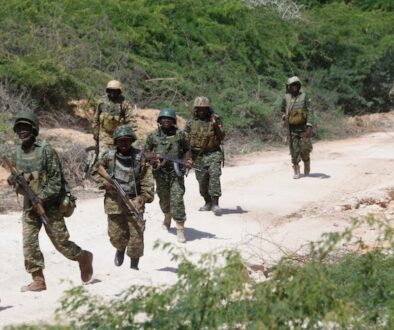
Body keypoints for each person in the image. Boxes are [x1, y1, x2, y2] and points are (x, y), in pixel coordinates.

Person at [6, 112, 93, 292]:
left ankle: (83, 257)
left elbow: (56, 181)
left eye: (26, 127)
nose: (23, 131)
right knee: (29, 243)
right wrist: (12, 180)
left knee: (61, 244)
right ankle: (38, 280)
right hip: (29, 206)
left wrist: (41, 198)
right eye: (20, 128)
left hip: (50, 205)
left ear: (34, 129)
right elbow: (15, 175)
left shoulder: (46, 150)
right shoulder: (16, 153)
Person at [95, 125, 154, 270]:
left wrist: (144, 197)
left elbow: (147, 179)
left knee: (136, 235)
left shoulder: (140, 157)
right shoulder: (108, 156)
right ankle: (120, 249)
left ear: (131, 141)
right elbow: (95, 172)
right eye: (120, 141)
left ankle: (134, 264)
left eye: (127, 141)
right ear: (116, 142)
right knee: (116, 235)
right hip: (114, 201)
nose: (124, 144)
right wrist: (105, 184)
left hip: (134, 200)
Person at [144, 108, 192, 243]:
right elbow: (146, 151)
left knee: (177, 199)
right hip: (160, 173)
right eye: (164, 119)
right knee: (164, 199)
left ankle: (180, 228)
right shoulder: (153, 136)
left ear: (173, 121)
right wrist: (153, 158)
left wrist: (187, 160)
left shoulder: (180, 135)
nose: (166, 121)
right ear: (159, 121)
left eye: (169, 119)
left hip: (176, 173)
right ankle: (167, 217)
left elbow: (187, 150)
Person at [184, 96, 225, 216]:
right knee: (202, 181)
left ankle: (216, 203)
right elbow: (184, 138)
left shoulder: (215, 119)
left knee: (214, 175)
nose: (202, 111)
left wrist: (216, 125)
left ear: (208, 109)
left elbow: (222, 137)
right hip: (198, 155)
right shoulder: (191, 122)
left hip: (213, 153)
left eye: (204, 109)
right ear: (196, 109)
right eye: (199, 109)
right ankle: (207, 202)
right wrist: (187, 156)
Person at [92, 80, 138, 156]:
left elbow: (131, 120)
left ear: (119, 91)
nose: (113, 93)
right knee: (102, 156)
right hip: (104, 135)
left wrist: (130, 135)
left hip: (120, 136)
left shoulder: (124, 104)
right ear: (108, 91)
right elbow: (96, 119)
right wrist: (95, 133)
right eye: (111, 90)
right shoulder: (101, 102)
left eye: (115, 91)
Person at [281, 76, 314, 179]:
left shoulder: (304, 96)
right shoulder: (286, 97)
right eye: (292, 85)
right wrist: (285, 117)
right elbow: (282, 109)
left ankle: (307, 162)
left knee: (305, 149)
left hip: (303, 128)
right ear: (289, 87)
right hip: (292, 129)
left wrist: (309, 127)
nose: (294, 87)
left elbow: (310, 112)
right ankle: (296, 169)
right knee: (294, 151)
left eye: (296, 85)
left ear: (299, 86)